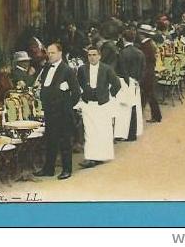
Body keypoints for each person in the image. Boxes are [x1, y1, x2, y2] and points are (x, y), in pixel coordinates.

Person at [34, 43, 81, 180]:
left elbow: (76, 92)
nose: (50, 55)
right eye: (48, 53)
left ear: (60, 53)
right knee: (50, 140)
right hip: (49, 111)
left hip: (63, 112)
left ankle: (67, 169)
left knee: (64, 141)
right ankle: (48, 168)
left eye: (53, 53)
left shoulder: (67, 70)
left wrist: (67, 106)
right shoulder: (47, 67)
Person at [76, 46, 121, 168]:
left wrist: (107, 95)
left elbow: (117, 84)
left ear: (99, 56)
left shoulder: (107, 69)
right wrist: (83, 94)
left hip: (102, 105)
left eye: (94, 55)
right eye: (89, 55)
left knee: (102, 131)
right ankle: (90, 158)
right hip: (88, 104)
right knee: (89, 132)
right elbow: (78, 83)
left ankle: (101, 156)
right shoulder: (82, 69)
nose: (92, 57)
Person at [114, 29, 146, 141]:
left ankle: (124, 133)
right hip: (136, 82)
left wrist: (126, 81)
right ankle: (133, 132)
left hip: (125, 81)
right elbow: (143, 69)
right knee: (134, 106)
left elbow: (121, 69)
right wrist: (138, 81)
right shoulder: (140, 52)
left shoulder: (122, 53)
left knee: (124, 108)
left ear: (123, 39)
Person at [136, 25, 161, 123]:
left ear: (142, 34)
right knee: (148, 95)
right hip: (150, 72)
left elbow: (144, 61)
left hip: (147, 73)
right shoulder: (150, 43)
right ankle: (156, 115)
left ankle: (155, 116)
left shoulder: (145, 45)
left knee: (148, 95)